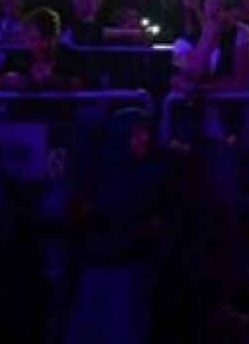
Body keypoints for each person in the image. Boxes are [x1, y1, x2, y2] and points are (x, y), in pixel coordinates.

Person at [63, 108, 169, 344]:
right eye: (137, 133)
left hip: (130, 265)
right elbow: (81, 209)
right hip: (95, 263)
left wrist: (101, 210)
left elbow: (124, 206)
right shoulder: (99, 169)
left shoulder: (154, 170)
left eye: (146, 133)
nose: (145, 139)